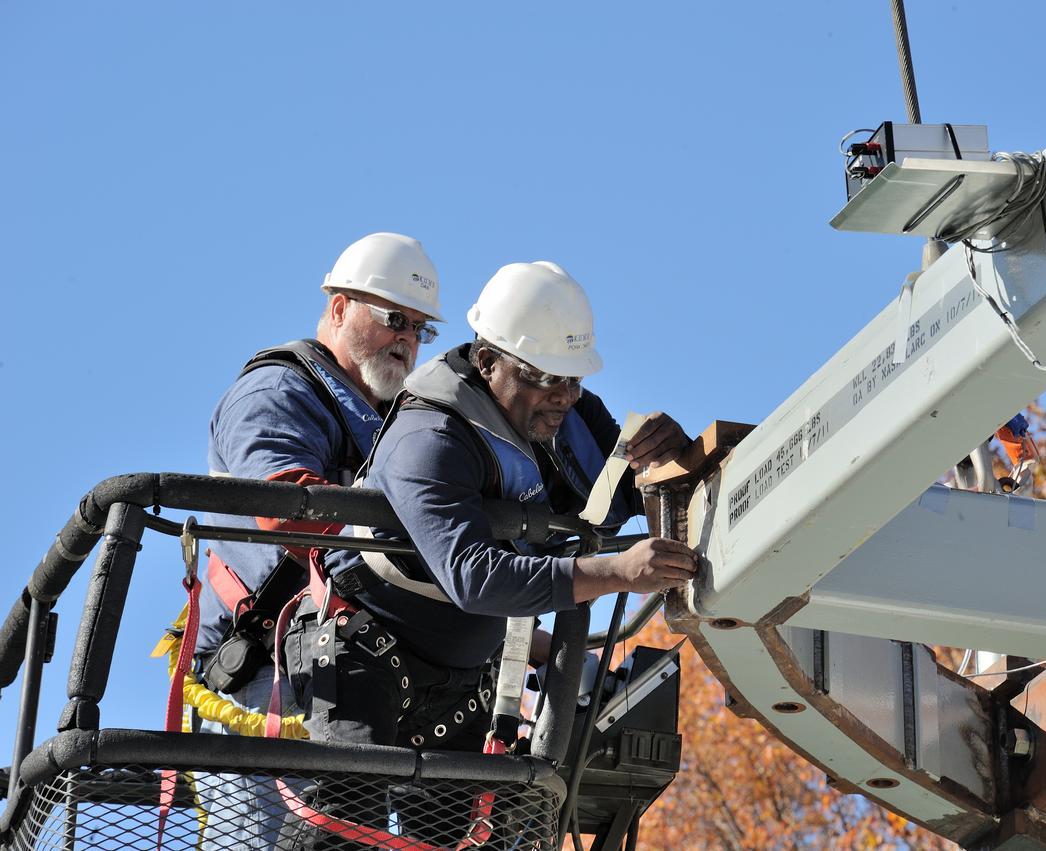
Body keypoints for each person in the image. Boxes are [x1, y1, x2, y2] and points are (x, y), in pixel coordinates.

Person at [284, 259, 699, 762]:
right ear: (486, 362)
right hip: (364, 654)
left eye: (573, 379)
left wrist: (667, 456)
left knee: (454, 840)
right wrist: (616, 571)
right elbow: (473, 576)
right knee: (348, 821)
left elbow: (623, 492)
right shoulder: (429, 437)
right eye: (545, 377)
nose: (564, 395)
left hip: (463, 677)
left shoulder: (568, 412)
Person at [190, 231, 444, 850]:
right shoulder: (278, 391)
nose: (408, 339)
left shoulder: (393, 422)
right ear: (339, 309)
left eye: (421, 329)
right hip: (266, 679)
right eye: (394, 319)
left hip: (355, 672)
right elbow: (284, 508)